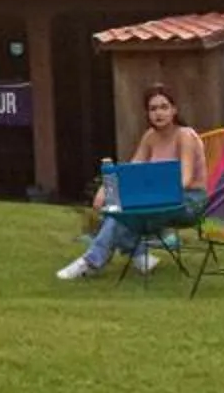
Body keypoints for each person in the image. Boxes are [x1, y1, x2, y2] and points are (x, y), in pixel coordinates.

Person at [58, 84, 206, 280]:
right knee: (116, 208)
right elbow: (132, 171)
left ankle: (91, 261)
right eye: (153, 109)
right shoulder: (150, 137)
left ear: (174, 110)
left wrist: (148, 199)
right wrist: (105, 188)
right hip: (160, 198)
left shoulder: (185, 135)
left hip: (189, 201)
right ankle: (138, 256)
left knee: (124, 213)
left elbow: (185, 180)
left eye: (164, 107)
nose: (159, 113)